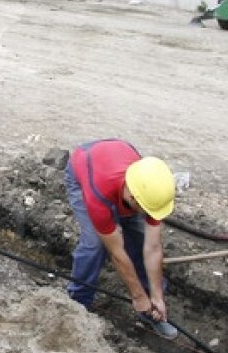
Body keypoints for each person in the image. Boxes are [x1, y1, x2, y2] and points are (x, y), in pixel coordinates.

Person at [64, 139, 178, 339]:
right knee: (95, 245)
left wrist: (155, 295)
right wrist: (137, 296)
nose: (147, 215)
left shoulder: (151, 191)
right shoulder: (98, 195)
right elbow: (116, 253)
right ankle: (77, 302)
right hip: (84, 169)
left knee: (140, 238)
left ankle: (152, 309)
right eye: (145, 210)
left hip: (117, 159)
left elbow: (152, 248)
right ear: (133, 199)